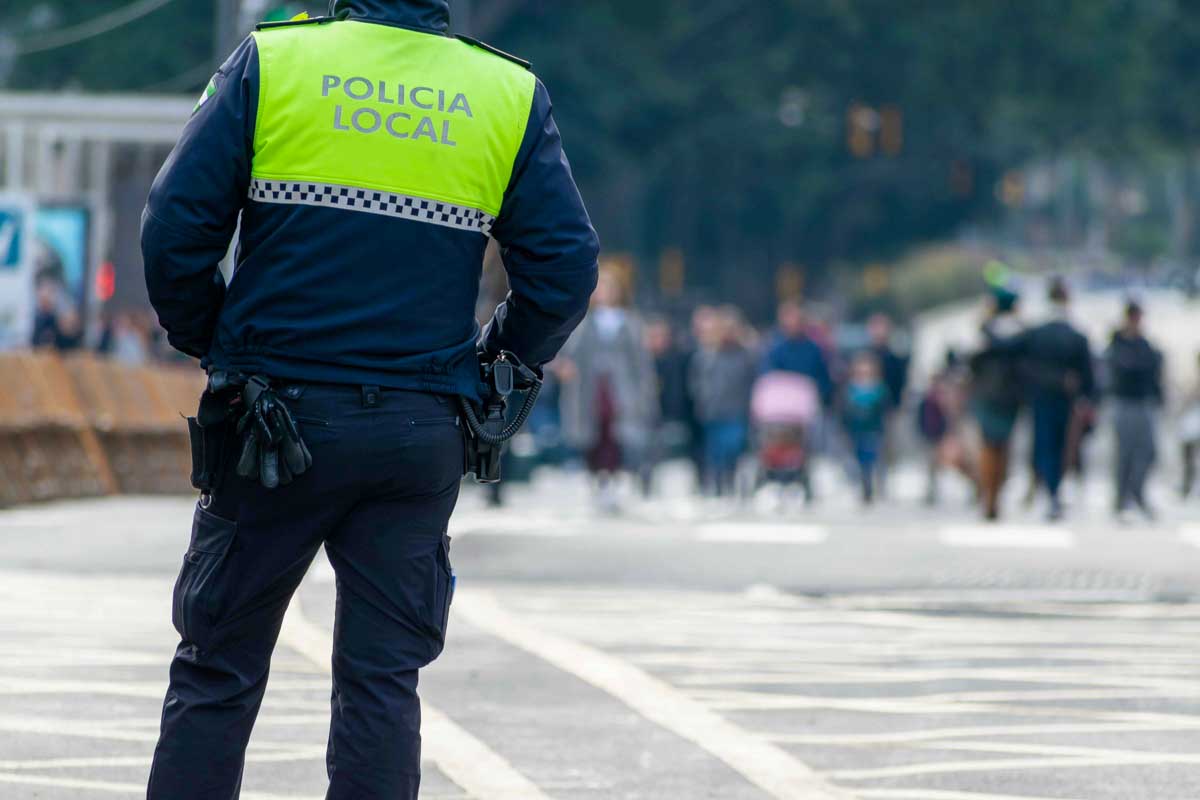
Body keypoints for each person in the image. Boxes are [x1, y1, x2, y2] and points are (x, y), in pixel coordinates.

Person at [140, 2, 599, 797]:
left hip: (272, 424)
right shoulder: (504, 92)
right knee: (382, 684)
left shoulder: (274, 62)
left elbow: (173, 228)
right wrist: (496, 362)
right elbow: (565, 270)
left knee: (218, 669)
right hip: (420, 429)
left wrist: (215, 343)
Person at [991, 278, 1095, 520]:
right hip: (1062, 398)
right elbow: (1087, 374)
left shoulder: (1037, 333)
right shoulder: (1074, 335)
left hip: (1042, 397)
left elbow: (1005, 348)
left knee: (1044, 445)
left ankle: (1048, 489)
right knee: (1059, 447)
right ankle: (1052, 490)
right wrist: (1087, 398)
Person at [558, 271, 657, 510]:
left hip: (620, 387)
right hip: (589, 388)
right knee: (592, 433)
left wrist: (645, 388)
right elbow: (570, 352)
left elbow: (640, 360)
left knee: (616, 433)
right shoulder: (585, 320)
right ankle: (597, 481)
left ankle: (613, 481)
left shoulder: (630, 321)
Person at [969, 287, 1024, 520]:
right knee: (1002, 447)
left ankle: (989, 494)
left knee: (989, 447)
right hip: (1008, 397)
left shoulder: (985, 331)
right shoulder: (1020, 333)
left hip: (989, 396)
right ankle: (993, 494)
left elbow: (972, 363)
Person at [689, 307, 757, 496]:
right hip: (713, 410)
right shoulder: (707, 355)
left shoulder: (745, 355)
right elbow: (697, 380)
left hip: (736, 409)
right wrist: (704, 398)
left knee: (734, 447)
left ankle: (731, 479)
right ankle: (717, 484)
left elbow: (752, 380)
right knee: (715, 451)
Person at [1106, 301, 1163, 521]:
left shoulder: (1144, 343)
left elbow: (1153, 368)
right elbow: (1122, 368)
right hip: (1124, 402)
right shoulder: (1118, 343)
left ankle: (1137, 491)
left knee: (1148, 451)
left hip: (1143, 402)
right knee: (1124, 453)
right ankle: (1122, 498)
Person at [841, 351, 890, 504]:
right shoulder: (850, 390)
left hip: (874, 431)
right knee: (858, 461)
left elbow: (885, 411)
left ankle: (875, 487)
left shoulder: (879, 390)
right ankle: (862, 487)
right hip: (856, 431)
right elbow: (844, 412)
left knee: (874, 460)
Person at [762, 300, 834, 405]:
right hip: (781, 405)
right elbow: (768, 376)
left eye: (798, 319)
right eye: (790, 319)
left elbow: (823, 379)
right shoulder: (774, 349)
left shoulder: (813, 350)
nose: (794, 323)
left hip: (806, 406)